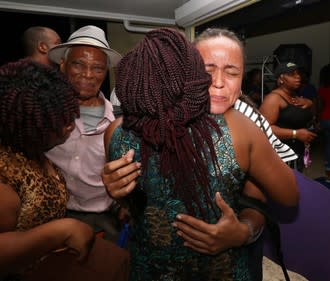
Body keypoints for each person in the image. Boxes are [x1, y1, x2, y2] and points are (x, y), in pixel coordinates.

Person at [106, 28, 297, 280]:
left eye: (232, 72)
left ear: (242, 80)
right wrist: (116, 192)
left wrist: (243, 230)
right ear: (186, 72)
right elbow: (136, 207)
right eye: (207, 71)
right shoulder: (123, 131)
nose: (218, 82)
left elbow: (278, 196)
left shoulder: (245, 123)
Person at [0, 59, 129, 281]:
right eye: (58, 121)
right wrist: (61, 230)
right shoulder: (6, 174)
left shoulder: (34, 149)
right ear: (27, 124)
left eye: (69, 114)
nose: (70, 124)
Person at [45, 25, 123, 242]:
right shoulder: (43, 113)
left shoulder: (118, 122)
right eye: (78, 64)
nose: (88, 75)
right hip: (48, 216)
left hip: (102, 222)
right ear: (63, 65)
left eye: (98, 68)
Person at [259, 61, 317, 171]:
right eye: (292, 75)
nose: (298, 77)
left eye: (298, 73)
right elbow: (264, 129)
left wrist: (309, 103)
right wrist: (296, 134)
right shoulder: (273, 99)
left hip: (296, 151)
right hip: (280, 155)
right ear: (281, 79)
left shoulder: (294, 95)